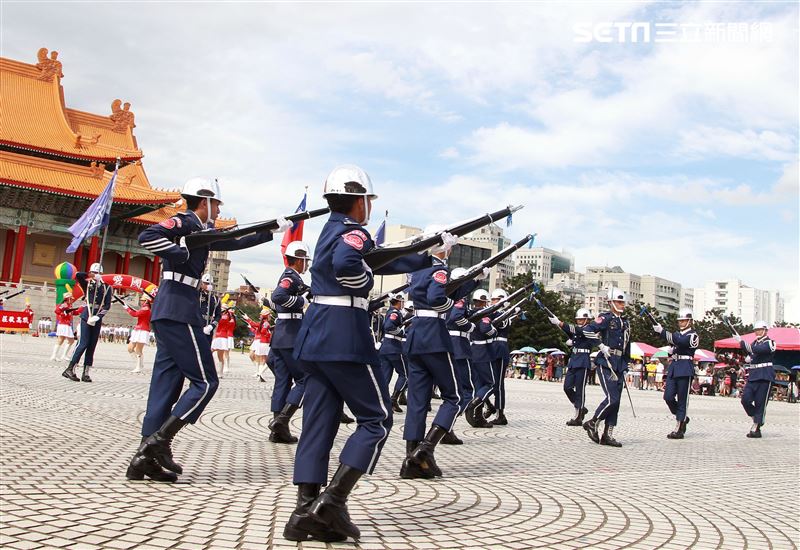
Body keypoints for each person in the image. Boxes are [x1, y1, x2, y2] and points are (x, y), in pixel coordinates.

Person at [284, 165, 431, 543]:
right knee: (376, 419)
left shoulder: (331, 229)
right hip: (342, 334)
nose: (370, 207)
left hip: (315, 335)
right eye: (369, 200)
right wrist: (364, 282)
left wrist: (427, 254)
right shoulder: (353, 231)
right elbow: (352, 265)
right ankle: (331, 504)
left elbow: (383, 258)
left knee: (319, 421)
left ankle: (304, 510)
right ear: (359, 200)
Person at [126, 177, 290, 483]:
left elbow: (233, 241)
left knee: (166, 385)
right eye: (216, 204)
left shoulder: (200, 229)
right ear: (205, 202)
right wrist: (178, 251)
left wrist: (270, 231)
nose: (218, 210)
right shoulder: (186, 222)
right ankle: (159, 442)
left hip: (172, 308)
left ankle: (145, 458)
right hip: (179, 309)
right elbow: (148, 236)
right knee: (205, 382)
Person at [400, 231, 478, 479]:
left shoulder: (418, 270)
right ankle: (425, 449)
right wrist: (447, 307)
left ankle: (411, 462)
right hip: (434, 335)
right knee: (454, 397)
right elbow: (438, 298)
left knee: (417, 402)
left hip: (416, 337)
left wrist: (475, 279)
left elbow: (448, 291)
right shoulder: (439, 269)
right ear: (442, 248)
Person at [268, 241, 312, 444]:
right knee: (304, 380)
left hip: (281, 335)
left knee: (282, 382)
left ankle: (278, 431)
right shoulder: (290, 277)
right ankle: (282, 420)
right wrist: (302, 301)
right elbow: (278, 296)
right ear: (299, 260)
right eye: (305, 261)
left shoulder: (295, 279)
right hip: (291, 335)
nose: (307, 265)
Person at [581, 287, 630, 447]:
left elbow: (627, 344)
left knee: (616, 402)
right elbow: (587, 330)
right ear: (611, 303)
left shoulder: (625, 322)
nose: (622, 304)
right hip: (606, 362)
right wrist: (600, 345)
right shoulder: (605, 318)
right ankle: (593, 422)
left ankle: (608, 434)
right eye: (618, 302)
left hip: (619, 363)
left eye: (622, 302)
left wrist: (626, 363)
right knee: (612, 398)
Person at [652, 308, 698, 439]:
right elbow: (674, 345)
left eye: (683, 320)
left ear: (690, 321)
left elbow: (681, 341)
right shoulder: (677, 334)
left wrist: (662, 331)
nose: (681, 323)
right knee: (668, 397)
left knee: (682, 400)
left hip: (685, 368)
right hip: (674, 367)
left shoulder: (693, 335)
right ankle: (682, 417)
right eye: (680, 321)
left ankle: (679, 428)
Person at [62, 263, 112, 382]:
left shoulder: (107, 287)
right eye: (94, 272)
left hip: (96, 318)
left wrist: (99, 317)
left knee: (92, 345)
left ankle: (86, 372)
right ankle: (70, 368)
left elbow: (107, 305)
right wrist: (92, 276)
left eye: (98, 273)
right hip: (86, 316)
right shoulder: (88, 284)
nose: (96, 275)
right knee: (83, 343)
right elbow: (78, 275)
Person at [549, 308, 597, 426]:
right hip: (574, 360)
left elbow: (576, 330)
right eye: (578, 319)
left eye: (581, 319)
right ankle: (581, 407)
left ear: (587, 319)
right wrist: (558, 324)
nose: (579, 321)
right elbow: (570, 332)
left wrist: (560, 322)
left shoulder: (589, 329)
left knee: (580, 389)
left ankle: (578, 416)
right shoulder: (577, 330)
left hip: (583, 361)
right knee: (567, 387)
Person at [464, 289, 497, 429]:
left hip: (471, 351)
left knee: (478, 386)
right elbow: (485, 329)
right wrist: (494, 330)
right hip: (483, 351)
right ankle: (474, 404)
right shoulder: (484, 314)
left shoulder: (470, 313)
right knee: (491, 384)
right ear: (484, 302)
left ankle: (478, 417)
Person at [736, 321, 776, 438]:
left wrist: (741, 342)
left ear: (765, 330)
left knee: (760, 403)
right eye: (756, 330)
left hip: (765, 375)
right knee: (745, 399)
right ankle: (757, 418)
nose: (757, 332)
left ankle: (756, 427)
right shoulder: (754, 343)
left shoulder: (770, 342)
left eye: (760, 329)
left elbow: (758, 350)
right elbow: (752, 352)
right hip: (753, 375)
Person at [485, 289, 513, 426]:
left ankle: (500, 414)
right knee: (486, 381)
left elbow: (500, 324)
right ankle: (489, 406)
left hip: (500, 349)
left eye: (495, 300)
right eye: (492, 300)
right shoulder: (492, 312)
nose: (492, 302)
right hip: (490, 348)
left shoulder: (505, 314)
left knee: (498, 384)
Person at [379, 292, 409, 414]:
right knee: (405, 375)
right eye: (402, 302)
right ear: (398, 301)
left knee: (385, 376)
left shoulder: (389, 311)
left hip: (385, 347)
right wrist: (402, 332)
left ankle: (382, 402)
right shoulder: (395, 313)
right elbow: (389, 326)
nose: (403, 304)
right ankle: (393, 399)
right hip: (394, 348)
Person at [51, 292, 83, 361]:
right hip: (64, 324)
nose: (72, 300)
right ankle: (61, 355)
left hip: (66, 324)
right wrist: (63, 314)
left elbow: (72, 313)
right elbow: (57, 310)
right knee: (69, 340)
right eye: (71, 299)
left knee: (62, 340)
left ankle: (56, 355)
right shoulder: (64, 304)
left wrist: (79, 310)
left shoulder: (69, 305)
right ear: (68, 299)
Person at [125, 295, 153, 374]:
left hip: (143, 330)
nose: (141, 301)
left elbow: (135, 314)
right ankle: (140, 363)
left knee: (138, 349)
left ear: (146, 301)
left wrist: (127, 308)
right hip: (137, 329)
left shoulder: (146, 308)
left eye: (142, 300)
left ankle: (138, 366)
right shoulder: (143, 308)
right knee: (130, 348)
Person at [211, 302, 236, 377]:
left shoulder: (225, 316)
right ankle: (217, 371)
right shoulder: (225, 316)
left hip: (221, 337)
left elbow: (218, 322)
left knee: (220, 356)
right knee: (213, 354)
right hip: (218, 336)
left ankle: (220, 372)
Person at [199, 274, 221, 345]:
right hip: (198, 324)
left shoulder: (216, 299)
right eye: (205, 283)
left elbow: (218, 315)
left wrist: (212, 326)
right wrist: (201, 287)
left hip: (209, 327)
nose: (207, 285)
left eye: (209, 284)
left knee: (206, 349)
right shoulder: (198, 294)